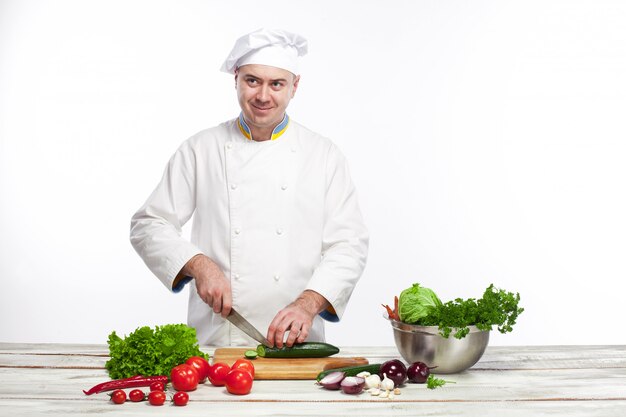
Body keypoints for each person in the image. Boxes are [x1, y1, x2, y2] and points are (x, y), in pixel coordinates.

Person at [130, 28, 368, 348]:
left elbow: (349, 244)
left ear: (294, 86)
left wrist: (309, 302)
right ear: (236, 80)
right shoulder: (201, 149)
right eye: (252, 81)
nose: (263, 96)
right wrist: (198, 264)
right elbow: (149, 223)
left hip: (296, 341)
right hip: (217, 335)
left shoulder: (324, 156)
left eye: (276, 84)